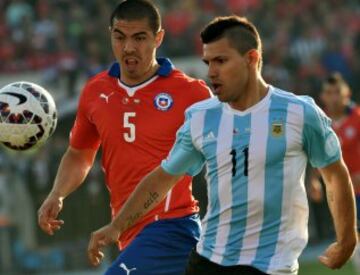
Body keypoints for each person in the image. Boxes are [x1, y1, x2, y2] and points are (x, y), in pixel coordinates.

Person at [87, 15, 357, 275]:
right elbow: (162, 178)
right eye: (208, 62)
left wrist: (347, 239)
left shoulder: (300, 113)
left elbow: (334, 175)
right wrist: (117, 226)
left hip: (270, 265)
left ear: (251, 59)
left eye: (221, 61)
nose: (212, 72)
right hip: (207, 260)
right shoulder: (202, 117)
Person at [37, 1, 210, 274]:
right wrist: (58, 194)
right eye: (120, 37)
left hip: (172, 226)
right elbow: (80, 153)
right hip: (128, 233)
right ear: (111, 36)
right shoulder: (95, 92)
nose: (128, 47)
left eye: (139, 38)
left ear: (159, 38)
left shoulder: (191, 93)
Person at [310, 72, 360, 273]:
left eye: (337, 92)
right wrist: (313, 179)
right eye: (329, 93)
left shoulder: (357, 118)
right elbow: (316, 152)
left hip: (358, 188)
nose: (333, 97)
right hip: (339, 192)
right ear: (322, 96)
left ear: (347, 94)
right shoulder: (319, 121)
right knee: (350, 237)